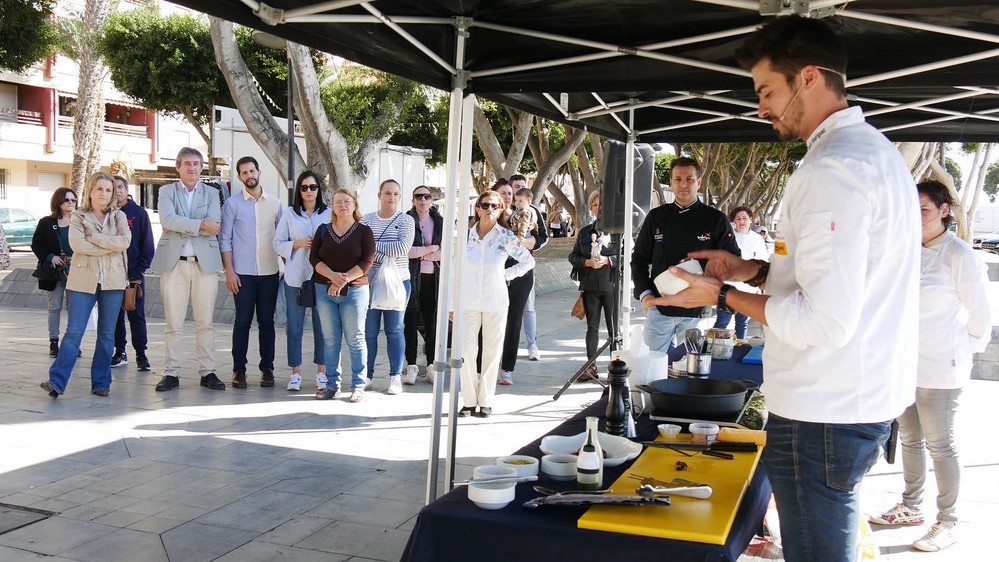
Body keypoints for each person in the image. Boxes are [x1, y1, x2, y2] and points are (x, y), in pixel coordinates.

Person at [659, 16, 920, 562]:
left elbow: (826, 320)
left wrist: (719, 297)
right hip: (852, 399)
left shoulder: (833, 168)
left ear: (807, 78)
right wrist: (749, 270)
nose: (761, 107)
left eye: (766, 91)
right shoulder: (875, 153)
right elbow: (845, 279)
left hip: (824, 409)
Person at [869, 180, 991, 552]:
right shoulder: (906, 251)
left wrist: (964, 350)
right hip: (904, 364)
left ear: (944, 210)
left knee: (941, 444)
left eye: (923, 209)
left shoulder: (959, 254)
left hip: (943, 366)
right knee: (909, 438)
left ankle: (947, 520)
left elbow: (981, 314)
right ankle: (910, 505)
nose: (916, 216)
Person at [630, 156, 740, 354]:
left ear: (699, 182)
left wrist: (707, 271)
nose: (683, 184)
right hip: (659, 308)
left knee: (691, 369)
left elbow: (733, 260)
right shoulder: (656, 217)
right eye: (678, 179)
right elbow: (638, 259)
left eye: (689, 179)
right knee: (649, 367)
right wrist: (645, 294)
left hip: (697, 310)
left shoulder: (715, 219)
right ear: (671, 182)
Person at [40, 172, 130, 398]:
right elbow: (78, 245)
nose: (104, 193)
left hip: (113, 281)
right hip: (82, 281)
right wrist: (110, 245)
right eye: (99, 189)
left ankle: (101, 383)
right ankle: (56, 382)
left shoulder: (119, 216)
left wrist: (96, 238)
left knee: (107, 334)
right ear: (90, 191)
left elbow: (124, 242)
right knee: (73, 332)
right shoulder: (78, 217)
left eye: (108, 190)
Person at [150, 147, 226, 392]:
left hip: (205, 265)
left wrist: (190, 225)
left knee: (206, 322)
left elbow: (215, 224)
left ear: (201, 167)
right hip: (175, 263)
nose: (192, 168)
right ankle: (171, 372)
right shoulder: (166, 191)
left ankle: (208, 371)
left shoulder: (213, 193)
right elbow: (167, 220)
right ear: (178, 167)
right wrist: (200, 224)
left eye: (196, 163)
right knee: (174, 323)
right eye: (187, 164)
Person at [456, 190, 534, 417]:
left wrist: (506, 275)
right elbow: (454, 269)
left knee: (491, 352)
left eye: (495, 206)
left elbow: (527, 261)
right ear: (477, 208)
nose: (489, 209)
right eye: (485, 205)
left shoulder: (506, 236)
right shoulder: (464, 236)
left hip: (496, 301)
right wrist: (452, 304)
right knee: (467, 351)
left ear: (501, 209)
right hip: (468, 302)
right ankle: (469, 400)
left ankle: (486, 400)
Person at [221, 156, 283, 389]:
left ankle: (267, 369)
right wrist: (229, 271)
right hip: (243, 274)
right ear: (239, 177)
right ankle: (239, 370)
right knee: (243, 321)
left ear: (259, 172)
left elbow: (282, 238)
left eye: (252, 171)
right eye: (244, 173)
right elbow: (225, 240)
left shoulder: (275, 204)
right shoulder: (232, 205)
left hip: (269, 273)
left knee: (267, 322)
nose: (249, 176)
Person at [311, 188, 375, 402]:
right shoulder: (323, 230)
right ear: (333, 206)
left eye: (347, 201)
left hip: (355, 291)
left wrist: (344, 279)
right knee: (330, 340)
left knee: (355, 339)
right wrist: (332, 277)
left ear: (355, 205)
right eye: (338, 201)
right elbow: (314, 259)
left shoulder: (364, 231)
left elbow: (367, 262)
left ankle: (358, 385)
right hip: (324, 291)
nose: (343, 205)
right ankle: (331, 385)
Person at [274, 171, 331, 392]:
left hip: (321, 278)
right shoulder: (289, 214)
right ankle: (295, 373)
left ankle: (322, 372)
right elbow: (277, 244)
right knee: (294, 327)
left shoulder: (328, 214)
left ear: (319, 189)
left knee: (322, 327)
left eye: (313, 187)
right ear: (299, 190)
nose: (309, 191)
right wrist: (297, 243)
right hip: (295, 278)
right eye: (304, 187)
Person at [361, 179, 415, 395]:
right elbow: (360, 248)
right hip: (370, 282)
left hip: (398, 281)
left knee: (394, 330)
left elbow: (402, 248)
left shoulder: (406, 220)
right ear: (379, 195)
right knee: (369, 332)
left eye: (395, 194)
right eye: (387, 193)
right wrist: (376, 247)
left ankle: (395, 377)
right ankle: (367, 375)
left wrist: (372, 245)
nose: (391, 198)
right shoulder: (366, 220)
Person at [568, 191, 618, 382]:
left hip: (611, 286)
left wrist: (608, 260)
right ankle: (591, 366)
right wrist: (587, 262)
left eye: (603, 205)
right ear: (591, 208)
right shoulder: (585, 232)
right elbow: (573, 257)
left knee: (614, 329)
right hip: (590, 286)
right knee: (592, 327)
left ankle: (615, 366)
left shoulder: (617, 232)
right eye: (596, 205)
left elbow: (629, 257)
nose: (599, 208)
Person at [110, 175, 155, 371]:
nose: (116, 190)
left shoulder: (138, 213)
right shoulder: (106, 213)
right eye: (113, 187)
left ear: (126, 190)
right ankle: (119, 351)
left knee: (136, 315)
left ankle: (141, 354)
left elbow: (147, 244)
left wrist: (139, 270)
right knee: (114, 316)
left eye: (120, 186)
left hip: (134, 275)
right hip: (111, 274)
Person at [403, 185, 442, 385]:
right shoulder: (406, 220)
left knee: (431, 322)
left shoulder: (440, 221)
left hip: (432, 278)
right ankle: (411, 365)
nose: (423, 200)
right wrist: (430, 248)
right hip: (410, 276)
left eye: (427, 196)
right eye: (418, 196)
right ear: (413, 200)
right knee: (409, 322)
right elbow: (405, 251)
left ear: (431, 200)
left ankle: (431, 365)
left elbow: (443, 252)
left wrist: (421, 252)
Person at [32, 187, 77, 358]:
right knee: (54, 307)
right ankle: (54, 341)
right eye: (67, 200)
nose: (71, 203)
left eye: (73, 200)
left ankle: (72, 343)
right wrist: (51, 257)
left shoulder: (80, 221)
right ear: (59, 201)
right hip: (54, 272)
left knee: (74, 308)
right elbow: (36, 244)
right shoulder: (46, 222)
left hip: (76, 271)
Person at [509, 174, 548, 364]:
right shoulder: (506, 210)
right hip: (504, 264)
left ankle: (532, 345)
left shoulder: (533, 211)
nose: (518, 190)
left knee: (528, 307)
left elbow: (544, 236)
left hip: (525, 264)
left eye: (522, 187)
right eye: (516, 187)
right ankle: (508, 346)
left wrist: (531, 243)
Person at [712, 206, 768, 339]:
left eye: (744, 218)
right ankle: (714, 346)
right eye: (738, 218)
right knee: (722, 322)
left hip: (749, 288)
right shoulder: (728, 236)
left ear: (751, 220)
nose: (741, 221)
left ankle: (740, 344)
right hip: (729, 286)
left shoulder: (757, 238)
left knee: (742, 322)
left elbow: (763, 260)